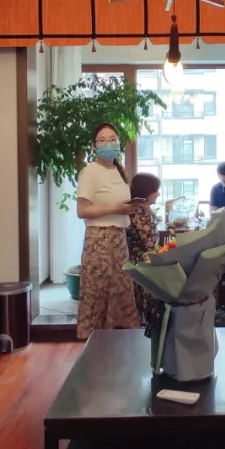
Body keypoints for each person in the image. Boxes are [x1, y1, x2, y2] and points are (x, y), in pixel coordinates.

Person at [75, 123, 146, 339]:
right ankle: (93, 344)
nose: (108, 143)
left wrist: (130, 207)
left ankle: (120, 344)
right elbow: (82, 210)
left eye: (112, 139)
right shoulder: (90, 171)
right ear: (94, 145)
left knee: (122, 293)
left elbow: (118, 206)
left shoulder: (119, 170)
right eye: (102, 140)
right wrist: (116, 208)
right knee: (97, 293)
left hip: (119, 240)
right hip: (99, 240)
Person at [126, 172, 162, 336]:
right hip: (143, 264)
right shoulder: (141, 212)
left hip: (134, 261)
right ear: (147, 192)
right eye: (156, 190)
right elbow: (150, 245)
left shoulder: (135, 208)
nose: (158, 194)